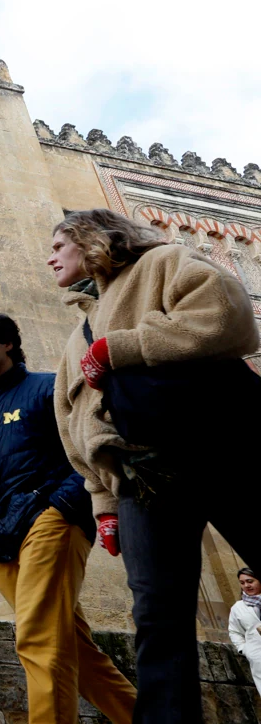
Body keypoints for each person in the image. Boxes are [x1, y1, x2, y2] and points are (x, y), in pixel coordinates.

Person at [50, 208, 261, 723]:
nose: (51, 257)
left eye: (59, 245)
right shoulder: (75, 336)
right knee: (157, 617)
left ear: (91, 240)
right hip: (142, 483)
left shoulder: (164, 262)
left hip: (219, 449)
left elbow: (226, 317)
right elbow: (76, 426)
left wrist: (121, 347)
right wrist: (103, 502)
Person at [0, 312, 136, 724]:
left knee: (37, 638)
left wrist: (62, 506)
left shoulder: (46, 388)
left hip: (50, 523)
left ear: (8, 344)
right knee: (73, 649)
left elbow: (88, 447)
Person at [229, 567, 261, 697]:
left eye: (250, 581)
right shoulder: (238, 608)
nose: (246, 585)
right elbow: (234, 632)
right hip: (258, 655)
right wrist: (244, 649)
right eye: (242, 583)